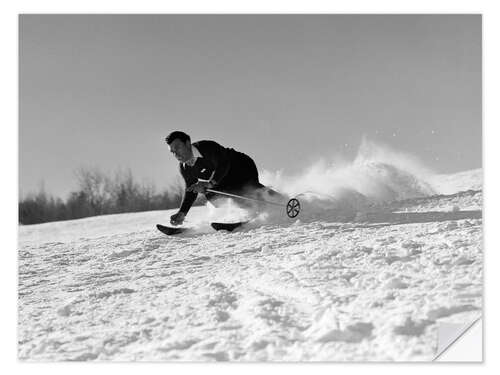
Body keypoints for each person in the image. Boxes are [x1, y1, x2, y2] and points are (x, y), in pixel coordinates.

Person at [165, 131, 280, 226]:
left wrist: (209, 183)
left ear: (187, 143)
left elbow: (223, 165)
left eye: (178, 148)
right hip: (223, 179)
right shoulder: (185, 168)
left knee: (243, 189)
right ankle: (258, 211)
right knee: (214, 196)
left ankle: (281, 200)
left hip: (240, 165)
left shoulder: (206, 147)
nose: (176, 154)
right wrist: (182, 212)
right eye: (173, 152)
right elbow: (191, 190)